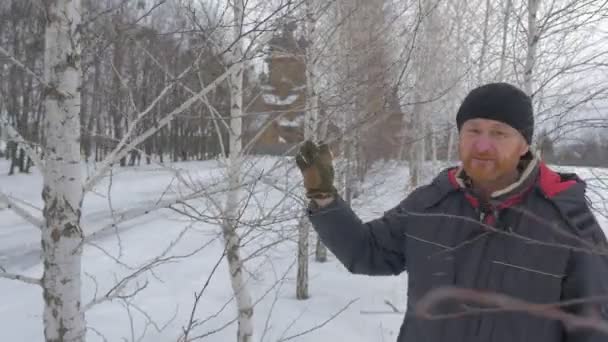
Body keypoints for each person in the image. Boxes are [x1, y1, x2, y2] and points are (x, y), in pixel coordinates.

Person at [295, 83, 608, 342]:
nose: (482, 145)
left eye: (499, 133)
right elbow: (368, 252)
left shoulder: (568, 224)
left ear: (524, 144)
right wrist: (324, 198)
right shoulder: (431, 203)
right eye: (473, 130)